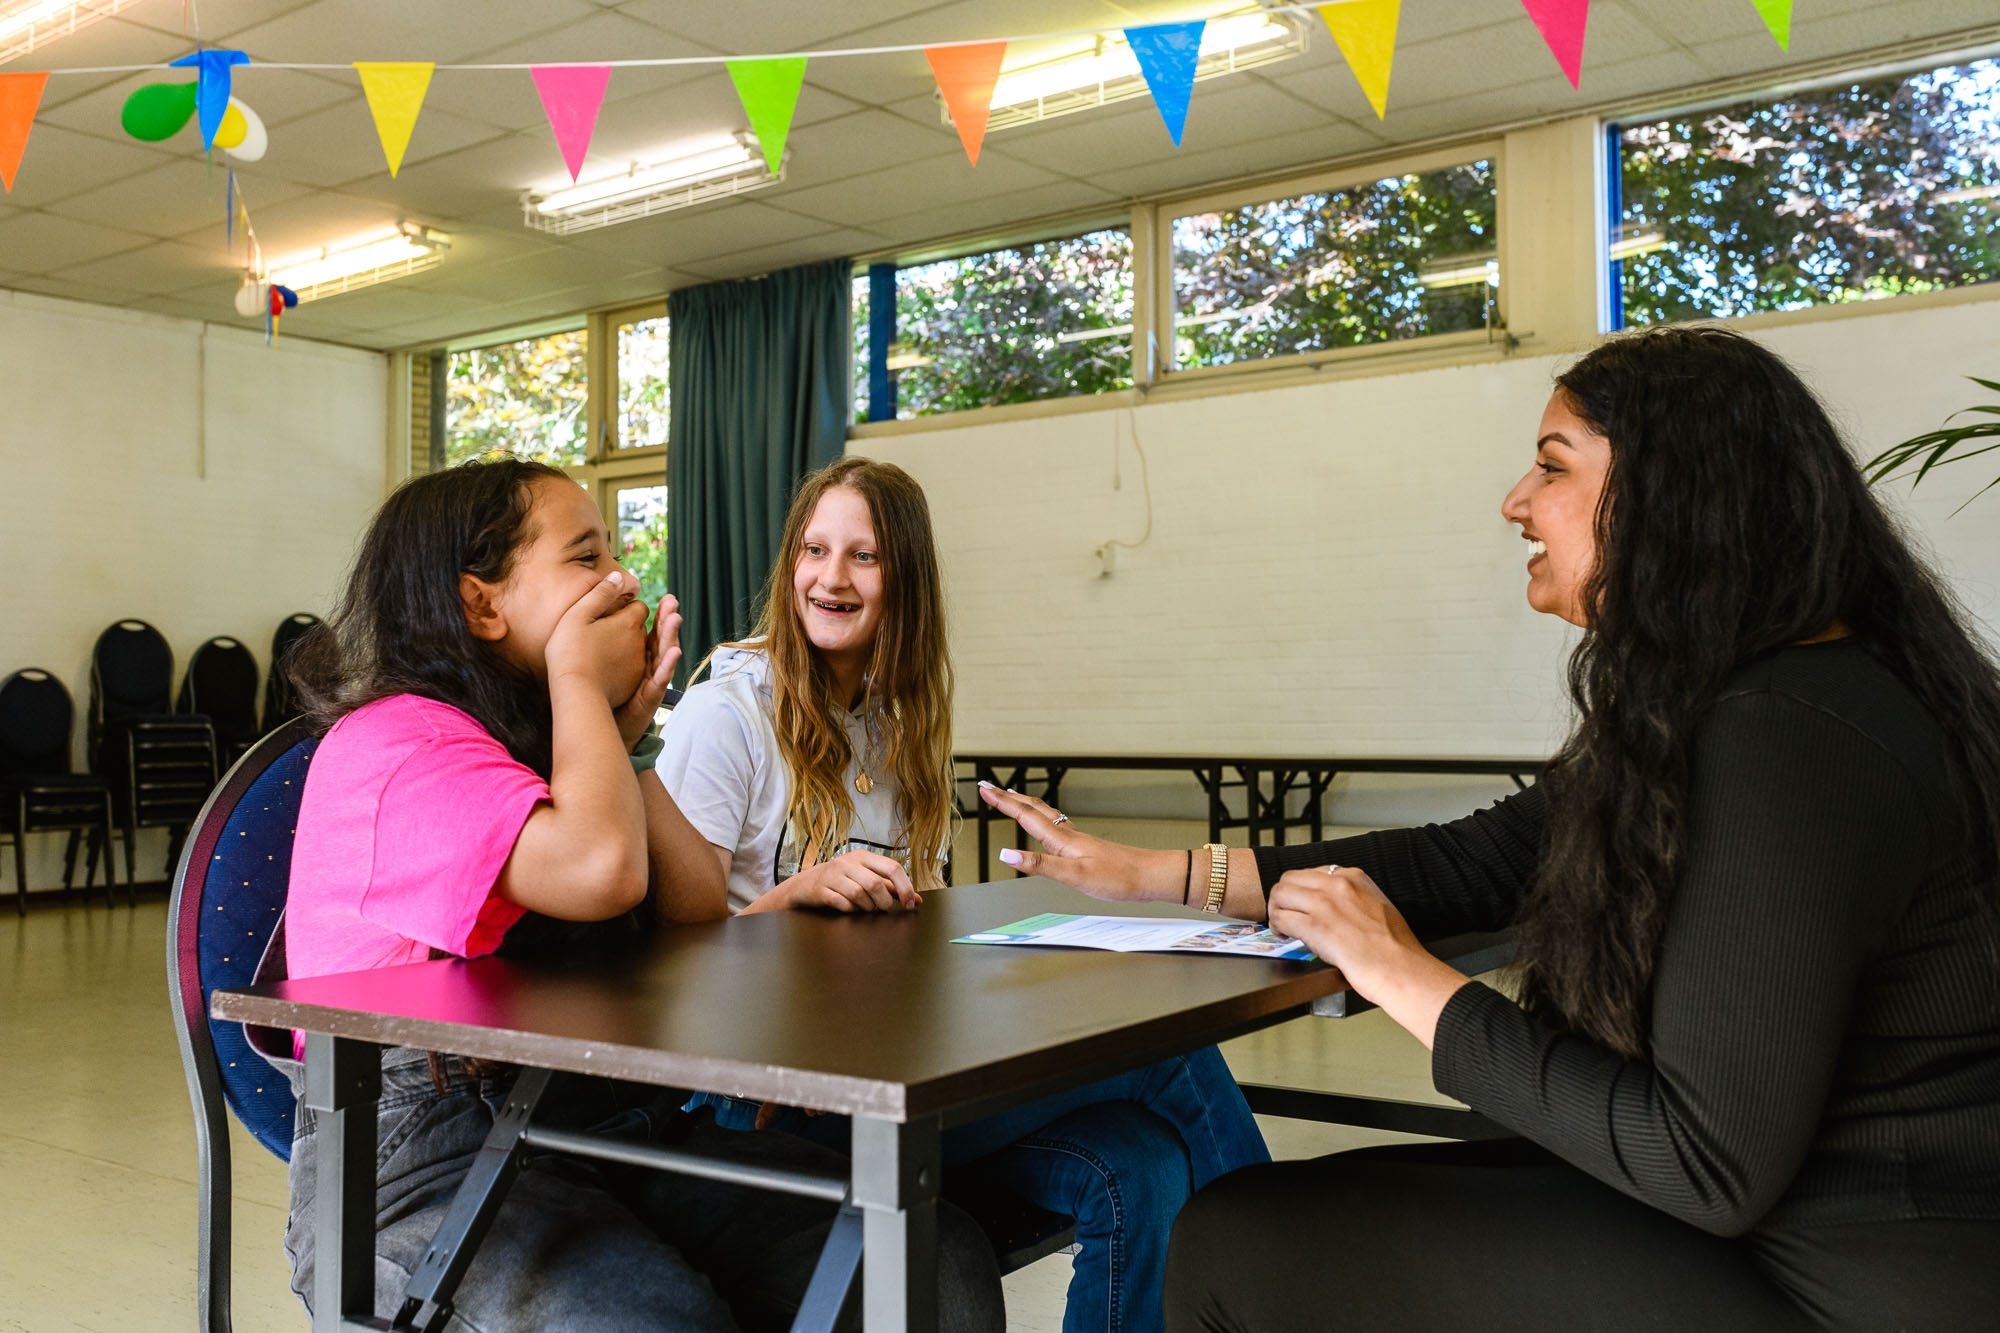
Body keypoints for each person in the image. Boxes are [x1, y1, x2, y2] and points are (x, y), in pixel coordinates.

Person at [979, 326, 2000, 1330]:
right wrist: (1153, 874)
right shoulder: (1738, 701)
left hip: (1844, 1285)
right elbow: (1470, 857)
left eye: (1550, 467)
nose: (1516, 500)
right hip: (1790, 1236)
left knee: (1234, 1238)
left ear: (1674, 500)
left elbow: (1702, 1161)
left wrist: (1405, 977)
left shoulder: (1784, 738)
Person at [281, 458, 1004, 1332]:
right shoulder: (397, 744)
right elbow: (602, 873)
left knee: (933, 1255)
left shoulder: (539, 744)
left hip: (592, 1118)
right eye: (586, 558)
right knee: (661, 1318)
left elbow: (691, 911)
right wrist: (582, 684)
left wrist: (622, 740)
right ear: (482, 604)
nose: (621, 579)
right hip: (417, 1168)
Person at [656, 455, 1271, 1333]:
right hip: (768, 1101)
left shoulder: (898, 723)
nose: (831, 577)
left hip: (892, 1074)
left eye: (862, 556)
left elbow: (921, 939)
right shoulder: (730, 714)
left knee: (1139, 1164)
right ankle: (1292, 1295)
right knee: (1165, 1055)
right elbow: (665, 962)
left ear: (904, 578)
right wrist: (798, 892)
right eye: (814, 549)